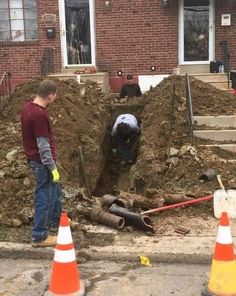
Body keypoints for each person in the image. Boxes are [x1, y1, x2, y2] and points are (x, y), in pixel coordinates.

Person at [20, 80, 62, 248]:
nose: (56, 98)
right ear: (50, 95)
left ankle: (55, 221)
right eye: (55, 95)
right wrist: (52, 167)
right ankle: (39, 236)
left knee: (55, 189)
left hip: (39, 160)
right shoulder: (39, 115)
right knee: (44, 195)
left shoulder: (27, 108)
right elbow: (43, 147)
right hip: (42, 162)